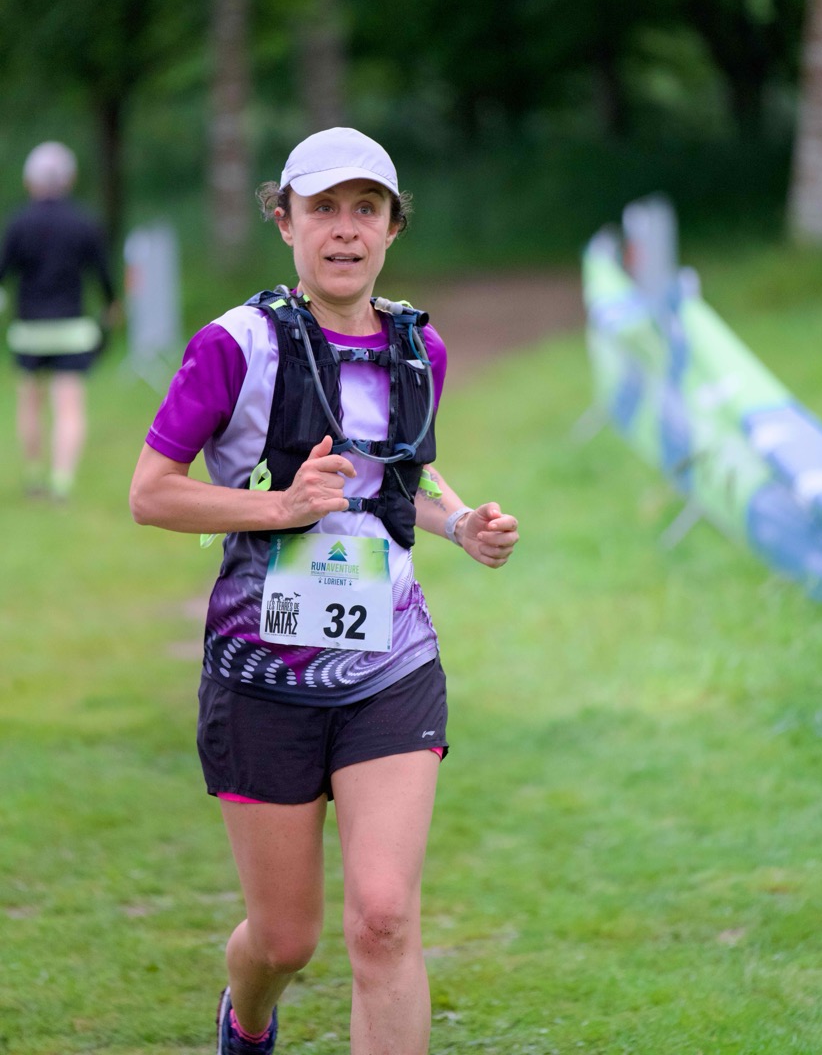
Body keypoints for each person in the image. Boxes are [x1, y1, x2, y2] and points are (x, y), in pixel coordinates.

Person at [129, 126, 519, 1055]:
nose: (345, 229)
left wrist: (458, 524)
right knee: (285, 940)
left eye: (365, 210)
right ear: (285, 221)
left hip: (391, 663)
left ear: (391, 227)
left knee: (383, 920)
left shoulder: (420, 347)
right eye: (323, 209)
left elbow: (391, 481)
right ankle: (247, 1017)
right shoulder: (234, 345)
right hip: (261, 673)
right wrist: (280, 508)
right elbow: (152, 494)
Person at [0, 141, 118, 500]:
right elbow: (102, 273)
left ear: (30, 181)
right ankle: (61, 482)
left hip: (29, 330)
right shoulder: (83, 223)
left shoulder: (19, 223)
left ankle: (34, 476)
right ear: (69, 179)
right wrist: (111, 305)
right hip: (71, 330)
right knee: (69, 408)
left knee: (30, 404)